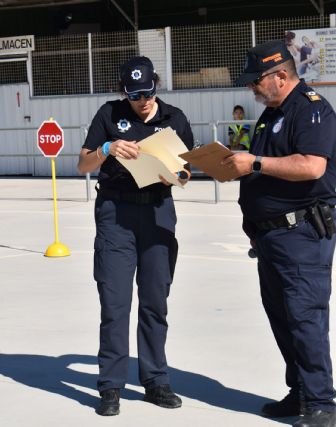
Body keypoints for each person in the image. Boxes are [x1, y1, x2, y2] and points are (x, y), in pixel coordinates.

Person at [222, 40, 336, 427]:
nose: (251, 88)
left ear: (281, 75)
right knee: (282, 318)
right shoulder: (271, 114)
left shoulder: (311, 109)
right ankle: (301, 392)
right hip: (271, 237)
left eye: (256, 81)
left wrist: (252, 162)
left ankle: (322, 403)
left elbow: (311, 166)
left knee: (305, 318)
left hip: (302, 234)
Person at [77, 56, 194, 417]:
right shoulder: (109, 114)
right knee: (114, 302)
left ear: (157, 87)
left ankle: (155, 380)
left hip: (157, 211)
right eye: (134, 95)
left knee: (155, 300)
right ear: (122, 92)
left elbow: (187, 170)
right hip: (116, 213)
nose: (142, 101)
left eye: (148, 93)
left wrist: (175, 175)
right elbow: (83, 163)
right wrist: (108, 149)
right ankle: (110, 386)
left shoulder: (173, 118)